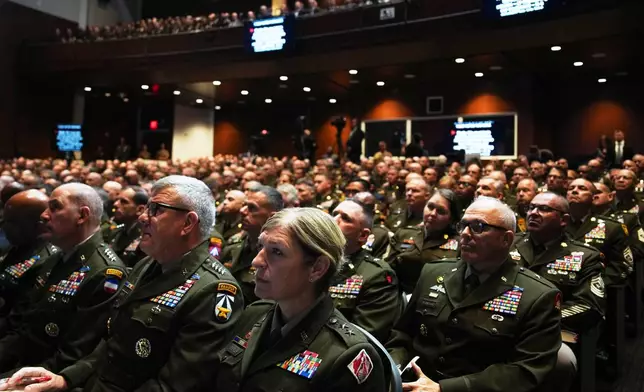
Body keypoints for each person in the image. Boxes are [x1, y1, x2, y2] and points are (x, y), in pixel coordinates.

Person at [0, 176, 244, 392]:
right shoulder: (145, 266)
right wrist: (64, 380)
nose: (142, 218)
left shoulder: (214, 291)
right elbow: (111, 345)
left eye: (156, 209)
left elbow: (173, 385)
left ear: (188, 223)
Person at [387, 197, 563, 392]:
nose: (464, 234)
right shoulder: (433, 272)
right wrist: (394, 369)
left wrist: (445, 389)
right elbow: (402, 335)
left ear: (506, 239)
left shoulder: (538, 295)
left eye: (478, 227)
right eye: (463, 225)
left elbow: (524, 370)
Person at [214, 208, 386, 392]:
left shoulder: (345, 355)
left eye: (277, 252)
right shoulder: (254, 312)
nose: (256, 261)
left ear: (317, 268)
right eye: (261, 247)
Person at [0, 183, 126, 373]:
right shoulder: (55, 259)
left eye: (55, 207)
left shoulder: (105, 273)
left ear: (82, 216)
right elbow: (24, 331)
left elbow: (74, 356)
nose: (43, 215)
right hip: (23, 363)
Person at [509, 193, 603, 390]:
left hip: (551, 331)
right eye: (532, 207)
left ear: (564, 220)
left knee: (561, 361)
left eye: (544, 209)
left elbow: (589, 306)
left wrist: (539, 320)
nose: (534, 213)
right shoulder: (507, 243)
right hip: (498, 321)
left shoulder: (584, 256)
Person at [331, 200, 400, 342]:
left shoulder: (376, 275)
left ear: (362, 236)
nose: (333, 221)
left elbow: (364, 337)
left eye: (345, 218)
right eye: (334, 214)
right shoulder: (310, 261)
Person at [0, 191, 59, 331]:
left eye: (11, 222)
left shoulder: (48, 262)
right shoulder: (19, 244)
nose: (3, 227)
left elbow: (18, 321)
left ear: (39, 226)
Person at [385, 189, 461, 293]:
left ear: (451, 218)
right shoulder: (404, 233)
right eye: (430, 207)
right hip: (397, 294)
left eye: (441, 211)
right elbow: (387, 270)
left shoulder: (459, 244)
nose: (433, 214)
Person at [220, 186, 284, 305]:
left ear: (272, 217)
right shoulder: (233, 245)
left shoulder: (279, 257)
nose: (242, 211)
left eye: (252, 208)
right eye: (244, 205)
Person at [565, 178, 632, 285]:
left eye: (582, 188)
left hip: (597, 288)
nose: (574, 191)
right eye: (570, 188)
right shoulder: (554, 224)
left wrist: (594, 283)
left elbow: (622, 265)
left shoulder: (611, 227)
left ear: (594, 197)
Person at [103, 186, 148, 267]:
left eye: (124, 202)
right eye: (117, 200)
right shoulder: (119, 229)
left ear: (140, 210)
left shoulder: (145, 237)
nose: (115, 204)